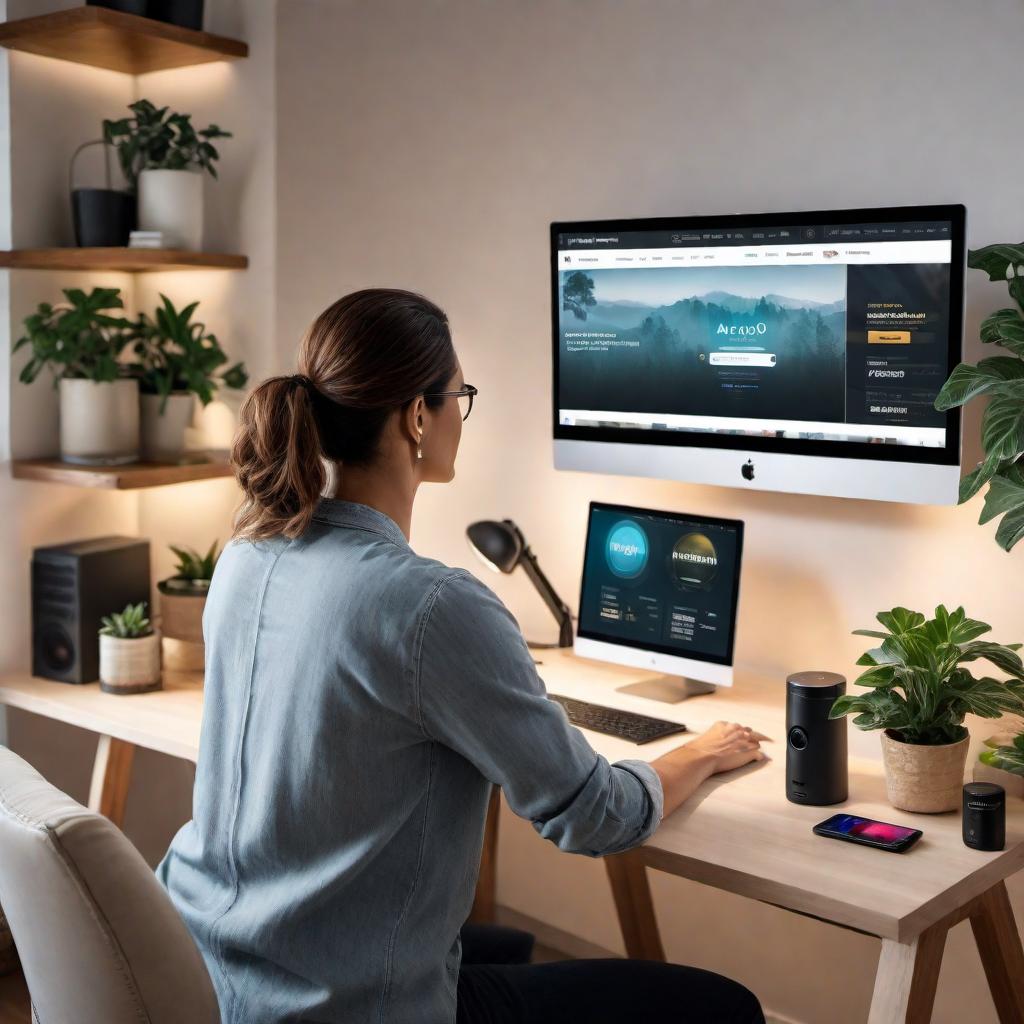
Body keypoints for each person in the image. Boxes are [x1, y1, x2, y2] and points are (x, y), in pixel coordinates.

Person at [159, 288, 766, 1024]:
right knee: (722, 1007)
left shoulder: (247, 554)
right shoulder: (432, 606)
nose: (458, 416)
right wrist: (693, 755)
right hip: (343, 1008)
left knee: (504, 943)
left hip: (211, 974)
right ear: (418, 415)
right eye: (459, 396)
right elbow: (593, 815)